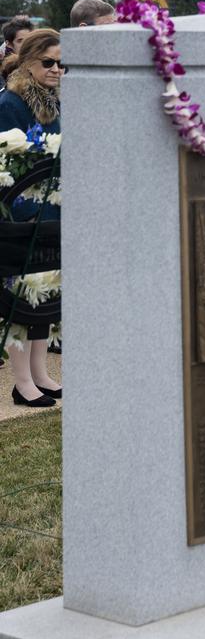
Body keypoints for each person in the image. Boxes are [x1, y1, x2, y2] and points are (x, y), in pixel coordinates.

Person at [0, 28, 64, 406]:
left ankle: (41, 373)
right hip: (20, 216)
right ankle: (22, 381)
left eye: (61, 63)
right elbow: (7, 163)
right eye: (49, 62)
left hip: (52, 212)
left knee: (47, 298)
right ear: (28, 62)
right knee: (21, 302)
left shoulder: (54, 101)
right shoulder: (10, 103)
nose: (57, 69)